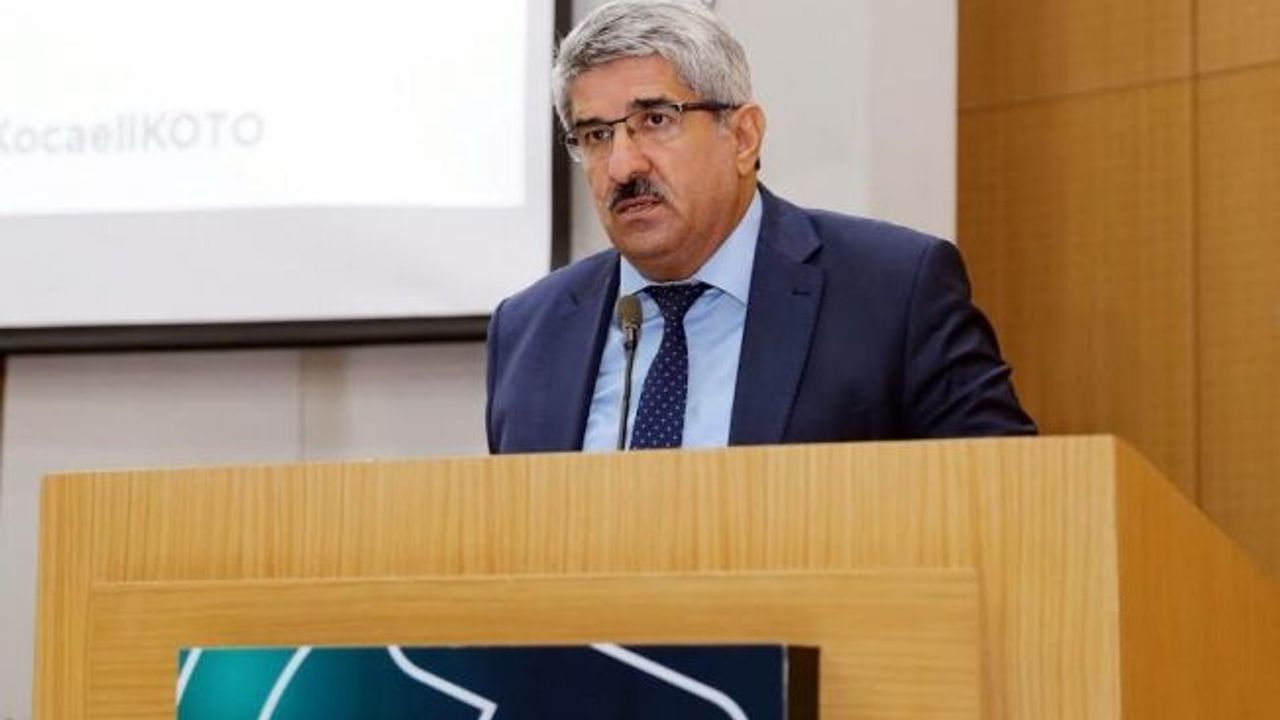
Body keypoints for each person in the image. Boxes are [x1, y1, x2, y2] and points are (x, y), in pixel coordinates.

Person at [486, 0, 1034, 454]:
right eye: (596, 136)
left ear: (743, 137)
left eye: (655, 120)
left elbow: (1003, 498)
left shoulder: (894, 292)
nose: (623, 166)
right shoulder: (530, 330)